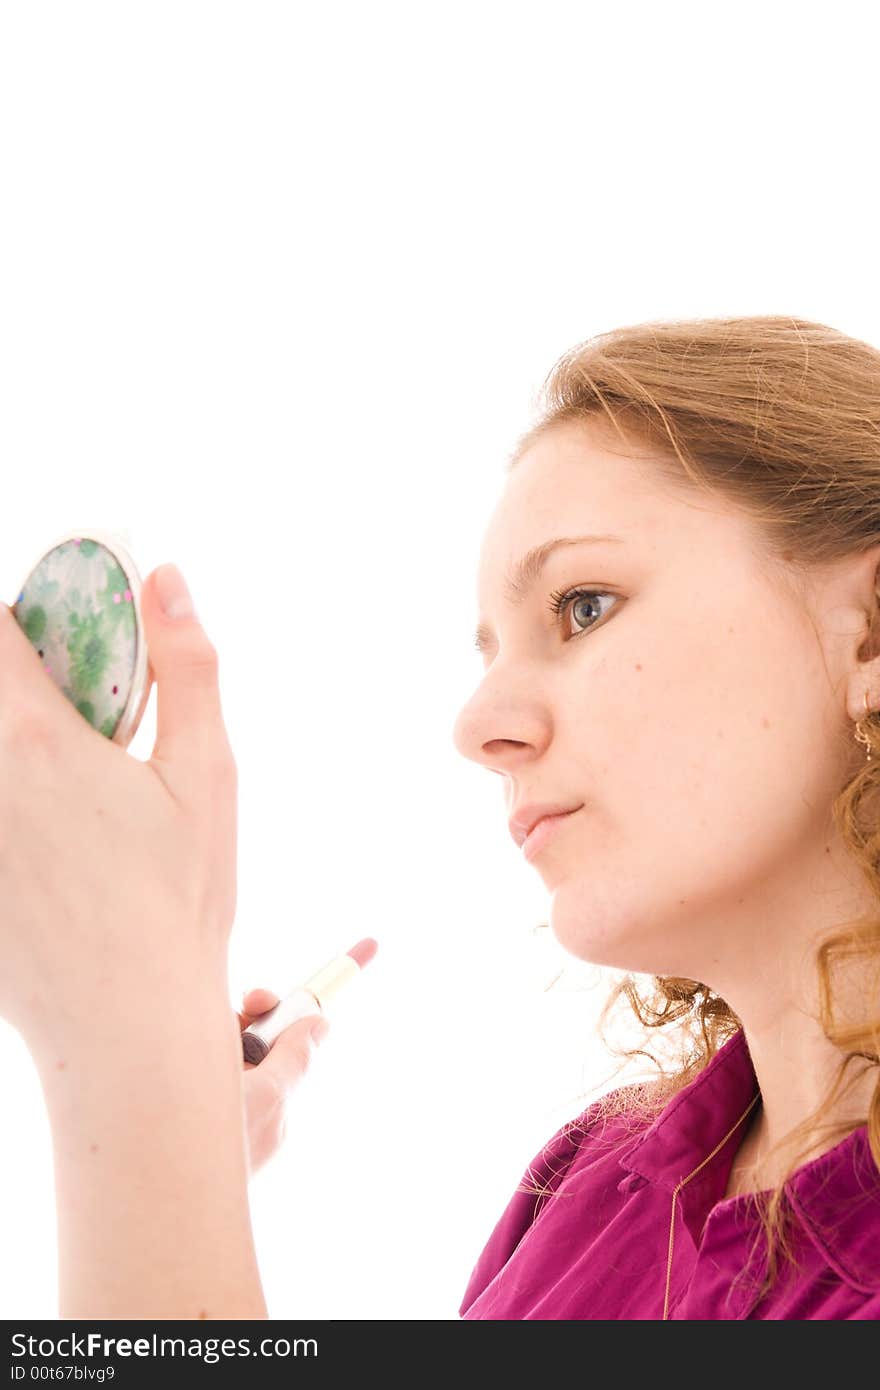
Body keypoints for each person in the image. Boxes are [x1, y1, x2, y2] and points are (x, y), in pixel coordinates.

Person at [2, 314, 879, 1321]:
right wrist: (166, 1140)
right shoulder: (592, 1185)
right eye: (488, 652)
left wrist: (133, 1062)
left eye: (582, 606)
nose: (477, 727)